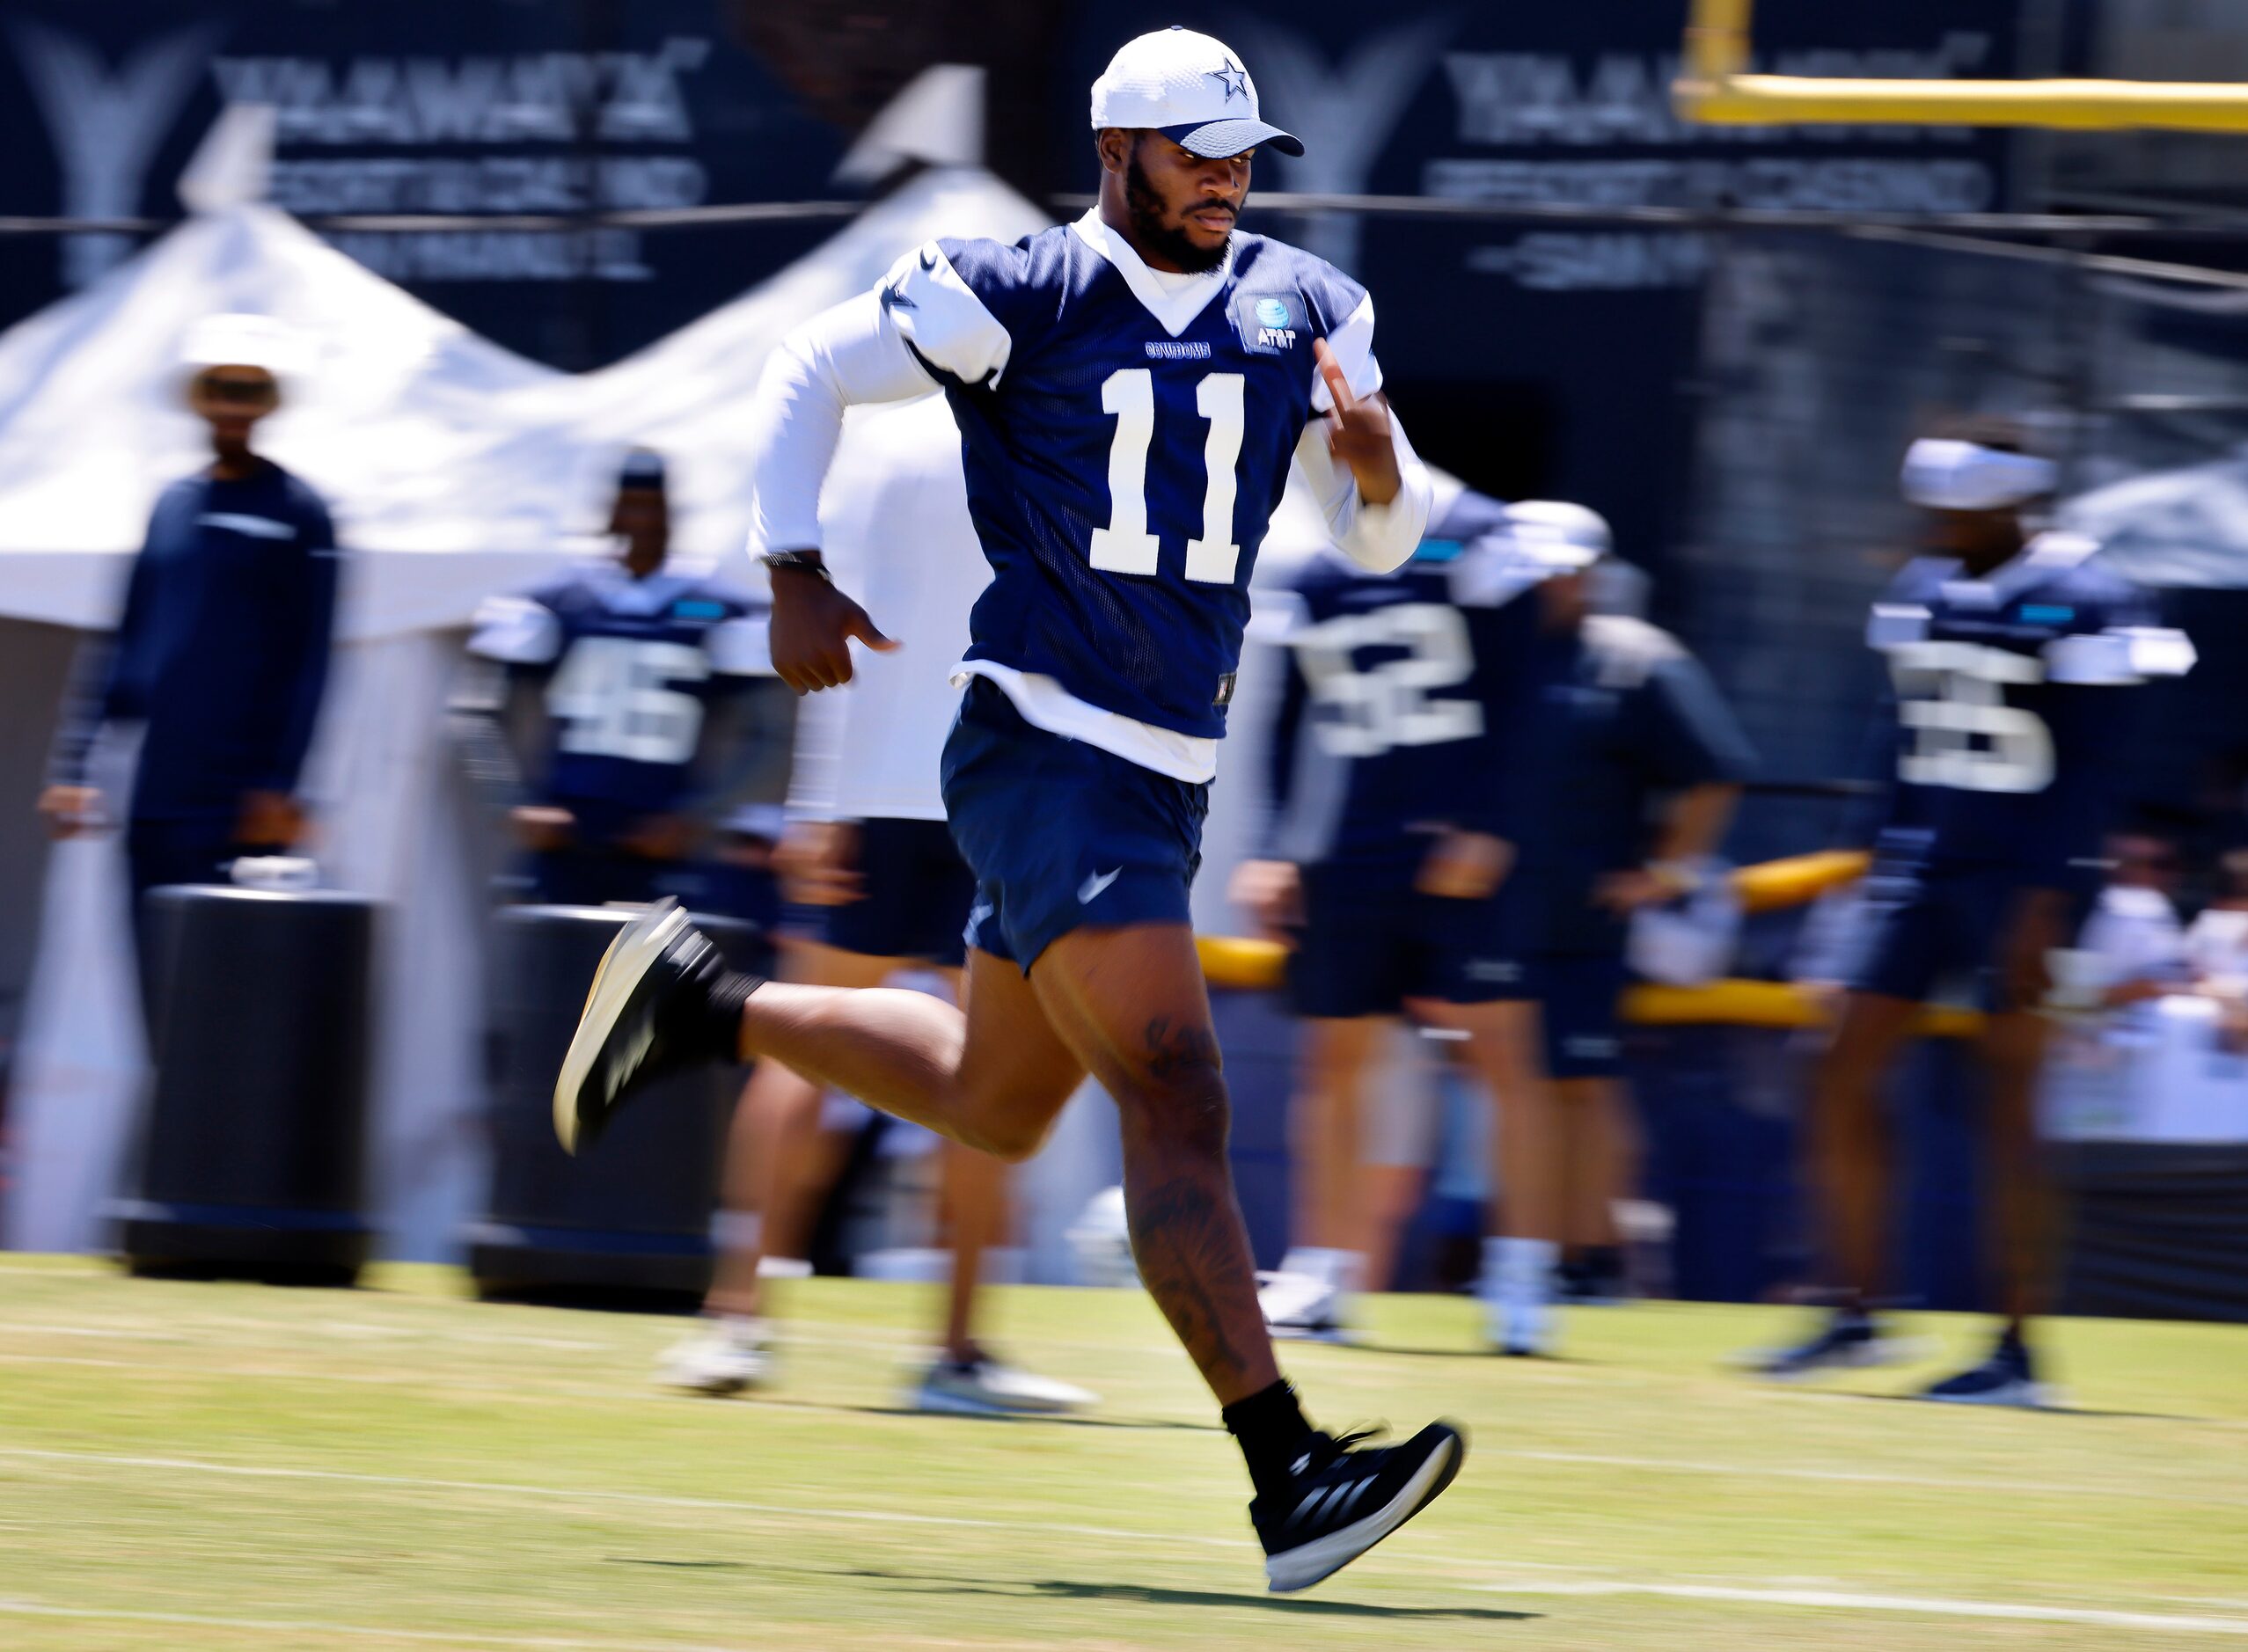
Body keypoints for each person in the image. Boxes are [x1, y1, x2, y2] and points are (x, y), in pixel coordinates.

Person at [550, 27, 1463, 1592]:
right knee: (1180, 1092)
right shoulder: (1021, 287)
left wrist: (1379, 480)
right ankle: (1288, 1470)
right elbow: (809, 370)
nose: (1229, 179)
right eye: (1197, 150)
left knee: (993, 1097)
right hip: (1048, 742)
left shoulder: (1309, 305)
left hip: (1164, 767)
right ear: (1116, 149)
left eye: (1246, 153)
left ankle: (703, 1000)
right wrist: (788, 564)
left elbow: (1379, 545)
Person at [657, 400, 1092, 1417]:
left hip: (906, 798)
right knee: (968, 1072)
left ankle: (751, 1325)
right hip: (971, 801)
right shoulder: (1061, 435)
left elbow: (818, 623)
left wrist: (816, 805)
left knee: (829, 1056)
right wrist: (816, 806)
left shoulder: (889, 446)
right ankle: (937, 1353)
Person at [1752, 420, 2194, 1404]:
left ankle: (2015, 1348)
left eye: (1958, 510)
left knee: (2008, 1102)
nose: (1938, 524)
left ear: (2010, 504)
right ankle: (1854, 1312)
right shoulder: (1921, 586)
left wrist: (2048, 900)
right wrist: (1866, 861)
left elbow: (2093, 767)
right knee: (1833, 1064)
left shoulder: (2088, 595)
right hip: (1928, 862)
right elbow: (1897, 736)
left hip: (2025, 871)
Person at [1230, 490, 1587, 1343]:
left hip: (1460, 844)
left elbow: (1527, 692)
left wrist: (1494, 825)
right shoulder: (1313, 567)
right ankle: (1324, 1271)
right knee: (1334, 1059)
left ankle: (1522, 1274)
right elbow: (1286, 718)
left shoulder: (1473, 540)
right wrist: (1277, 843)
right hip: (1354, 847)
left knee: (1501, 1055)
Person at [1501, 534, 1754, 1356]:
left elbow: (1715, 771)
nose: (1553, 584)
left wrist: (1666, 872)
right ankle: (1544, 1256)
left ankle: (1592, 1258)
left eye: (1566, 569)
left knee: (1581, 1085)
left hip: (1583, 918)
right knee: (1530, 1087)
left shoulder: (1634, 657)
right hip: (1505, 912)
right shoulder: (1505, 649)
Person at [41, 313, 339, 997]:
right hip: (156, 796)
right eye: (221, 386)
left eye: (250, 390)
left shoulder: (300, 512)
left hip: (240, 807)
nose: (234, 404)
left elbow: (312, 661)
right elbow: (125, 639)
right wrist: (74, 764)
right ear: (199, 396)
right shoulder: (171, 504)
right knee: (154, 989)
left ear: (269, 404)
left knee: (230, 1003)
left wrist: (281, 785)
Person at [455, 451, 794, 913]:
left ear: (674, 514)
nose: (642, 520)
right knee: (548, 975)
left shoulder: (719, 607)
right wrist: (514, 804)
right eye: (630, 505)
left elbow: (771, 733)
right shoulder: (558, 599)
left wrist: (702, 816)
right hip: (562, 839)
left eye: (652, 506)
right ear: (609, 511)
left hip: (664, 840)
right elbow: (477, 715)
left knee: (661, 981)